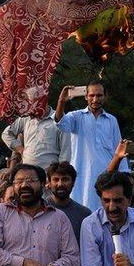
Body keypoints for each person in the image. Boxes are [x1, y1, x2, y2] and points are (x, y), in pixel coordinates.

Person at [54, 81, 127, 211]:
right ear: (86, 96)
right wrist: (61, 101)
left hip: (107, 175)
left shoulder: (111, 120)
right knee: (82, 210)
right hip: (82, 176)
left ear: (105, 96)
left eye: (99, 95)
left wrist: (125, 174)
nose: (95, 99)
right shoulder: (76, 116)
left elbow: (119, 149)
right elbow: (60, 122)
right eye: (92, 95)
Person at [1, 107, 72, 168]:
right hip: (27, 173)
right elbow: (6, 134)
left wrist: (59, 173)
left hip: (48, 175)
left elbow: (65, 153)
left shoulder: (59, 119)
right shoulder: (26, 118)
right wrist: (20, 149)